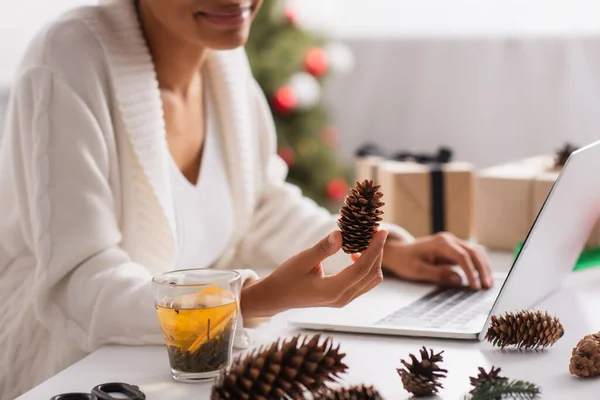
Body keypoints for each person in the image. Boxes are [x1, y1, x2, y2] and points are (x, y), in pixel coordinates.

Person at [0, 0, 492, 397]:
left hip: (189, 373)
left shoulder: (222, 59)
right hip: (74, 375)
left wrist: (380, 249)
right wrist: (248, 301)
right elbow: (78, 282)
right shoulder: (67, 61)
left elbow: (260, 206)